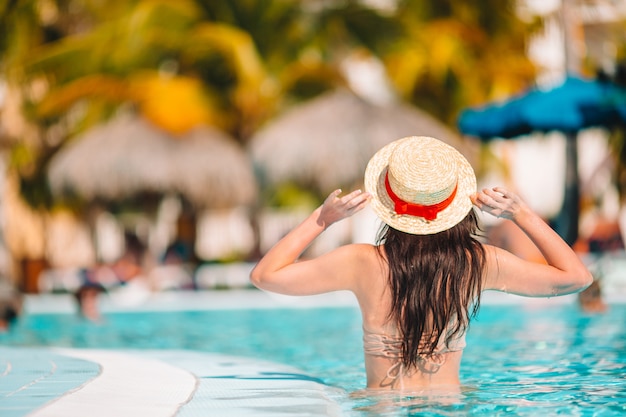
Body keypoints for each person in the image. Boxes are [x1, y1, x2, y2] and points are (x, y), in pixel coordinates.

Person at [250, 136, 592, 391]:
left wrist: (321, 220)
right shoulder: (478, 263)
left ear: (389, 203)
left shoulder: (361, 262)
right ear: (455, 202)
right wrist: (521, 213)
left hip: (382, 409)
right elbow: (576, 277)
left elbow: (265, 276)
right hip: (453, 407)